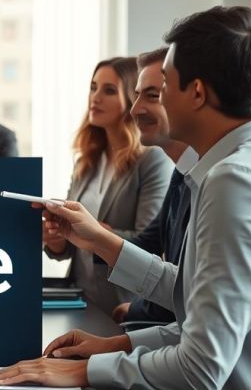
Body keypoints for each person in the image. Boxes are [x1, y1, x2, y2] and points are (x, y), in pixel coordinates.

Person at [0, 6, 251, 390]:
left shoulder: (239, 181)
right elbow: (198, 302)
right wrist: (117, 340)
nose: (144, 103)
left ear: (196, 92)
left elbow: (201, 368)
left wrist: (82, 372)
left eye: (164, 84)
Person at [44, 56, 173, 316]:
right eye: (93, 88)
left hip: (123, 303)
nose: (96, 97)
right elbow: (69, 248)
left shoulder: (152, 160)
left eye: (109, 90)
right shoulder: (87, 160)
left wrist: (95, 232)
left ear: (131, 98)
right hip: (81, 300)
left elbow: (150, 244)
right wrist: (57, 239)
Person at [110, 47, 196, 324]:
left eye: (153, 96)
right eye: (137, 95)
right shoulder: (181, 173)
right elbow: (150, 244)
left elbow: (187, 292)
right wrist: (83, 234)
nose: (134, 109)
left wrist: (134, 311)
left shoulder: (221, 181)